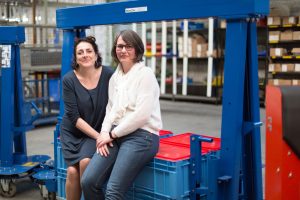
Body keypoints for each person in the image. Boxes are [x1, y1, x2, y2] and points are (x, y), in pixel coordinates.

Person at [81, 30, 162, 200]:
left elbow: (142, 115)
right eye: (119, 46)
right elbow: (110, 109)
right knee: (88, 181)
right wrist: (103, 134)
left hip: (142, 136)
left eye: (128, 46)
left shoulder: (145, 75)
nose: (123, 50)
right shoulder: (115, 78)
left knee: (113, 191)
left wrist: (111, 134)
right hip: (115, 135)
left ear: (137, 49)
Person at [60, 36, 113, 200]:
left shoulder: (109, 74)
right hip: (73, 131)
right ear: (76, 58)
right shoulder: (69, 79)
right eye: (80, 52)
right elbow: (74, 117)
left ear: (96, 54)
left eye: (89, 51)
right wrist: (100, 137)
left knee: (85, 163)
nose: (85, 55)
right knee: (71, 171)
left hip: (96, 128)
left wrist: (103, 133)